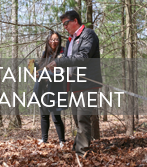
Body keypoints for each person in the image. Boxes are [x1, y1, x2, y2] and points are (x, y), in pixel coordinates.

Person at [47, 10, 102, 156]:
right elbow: (67, 64)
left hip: (89, 83)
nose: (64, 27)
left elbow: (83, 56)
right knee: (77, 117)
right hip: (74, 84)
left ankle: (81, 152)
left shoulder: (88, 34)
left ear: (75, 21)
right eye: (63, 24)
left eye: (66, 23)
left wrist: (59, 61)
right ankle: (79, 146)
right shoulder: (69, 40)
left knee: (83, 117)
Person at [31, 31, 68, 148]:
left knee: (56, 116)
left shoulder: (63, 52)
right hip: (43, 88)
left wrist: (42, 73)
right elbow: (40, 69)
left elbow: (61, 72)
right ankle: (44, 139)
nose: (54, 42)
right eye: (51, 39)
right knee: (44, 115)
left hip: (56, 89)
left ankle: (62, 141)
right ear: (48, 41)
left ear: (59, 41)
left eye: (56, 39)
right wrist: (34, 67)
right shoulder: (45, 53)